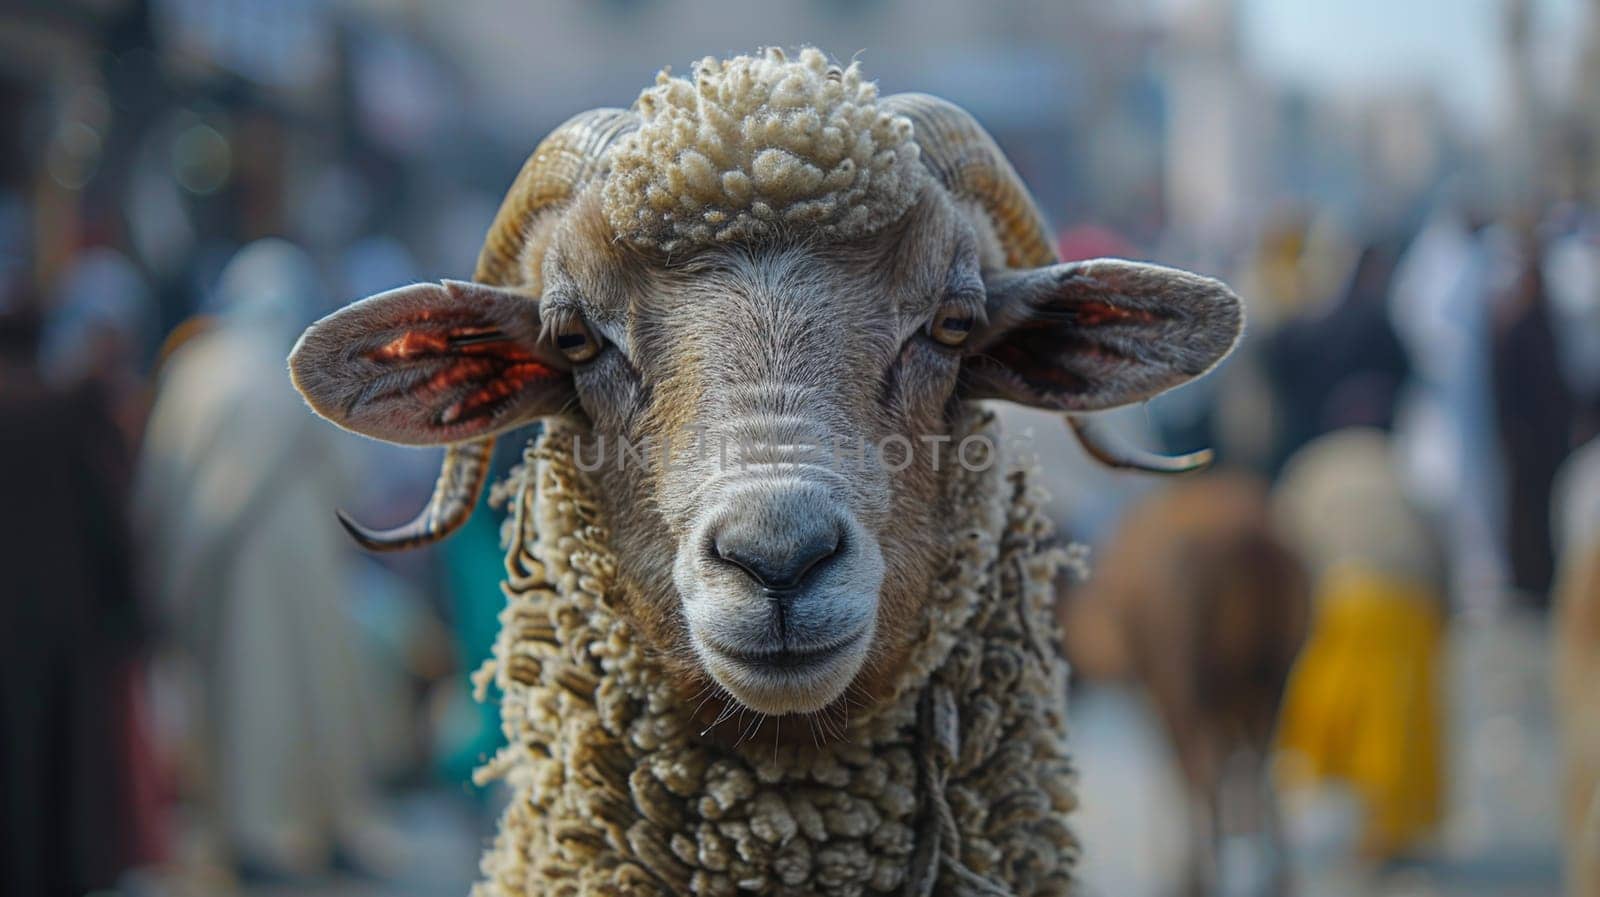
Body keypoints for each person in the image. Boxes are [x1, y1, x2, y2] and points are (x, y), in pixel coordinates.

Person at [136, 239, 399, 879]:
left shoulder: (197, 367)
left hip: (226, 566)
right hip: (306, 559)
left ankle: (252, 830)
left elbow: (164, 477)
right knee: (314, 691)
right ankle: (325, 822)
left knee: (245, 695)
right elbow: (353, 475)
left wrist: (167, 563)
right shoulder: (309, 369)